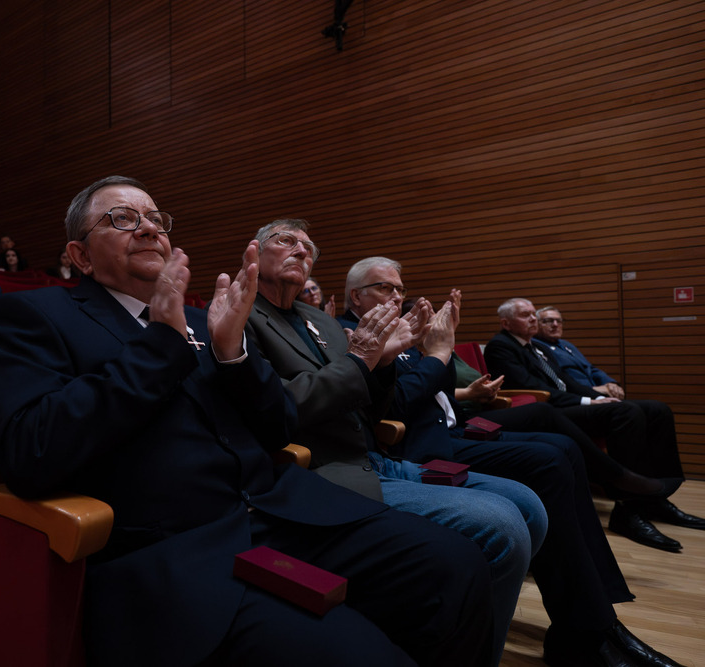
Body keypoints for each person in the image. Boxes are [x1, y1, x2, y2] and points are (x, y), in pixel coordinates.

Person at [0, 176, 495, 667]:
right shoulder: (33, 315)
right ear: (79, 256)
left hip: (281, 512)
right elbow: (32, 452)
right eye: (121, 218)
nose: (148, 228)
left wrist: (233, 358)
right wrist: (161, 342)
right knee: (356, 654)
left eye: (156, 218)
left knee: (457, 566)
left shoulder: (211, 320)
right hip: (178, 549)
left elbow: (277, 426)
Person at [344, 257, 685, 667]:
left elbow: (437, 388)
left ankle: (599, 617)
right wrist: (438, 351)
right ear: (355, 297)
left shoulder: (396, 330)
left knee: (560, 451)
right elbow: (396, 404)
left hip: (446, 431)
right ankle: (587, 626)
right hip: (420, 449)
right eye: (384, 288)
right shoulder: (355, 334)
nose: (397, 296)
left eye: (399, 288)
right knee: (548, 460)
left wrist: (439, 348)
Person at [244, 219, 545, 665]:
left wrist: (382, 365)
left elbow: (372, 406)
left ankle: (473, 641)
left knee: (529, 506)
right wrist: (367, 359)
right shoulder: (239, 315)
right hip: (324, 471)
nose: (302, 251)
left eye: (309, 247)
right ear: (254, 252)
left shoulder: (320, 320)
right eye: (287, 241)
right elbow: (281, 409)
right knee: (501, 525)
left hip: (374, 455)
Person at [485, 298, 702, 553]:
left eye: (534, 314)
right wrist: (588, 400)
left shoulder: (534, 347)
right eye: (526, 315)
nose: (533, 319)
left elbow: (565, 380)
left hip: (567, 404)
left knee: (657, 409)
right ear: (506, 323)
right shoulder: (500, 346)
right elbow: (535, 389)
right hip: (552, 410)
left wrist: (597, 397)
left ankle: (656, 499)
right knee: (625, 413)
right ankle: (628, 509)